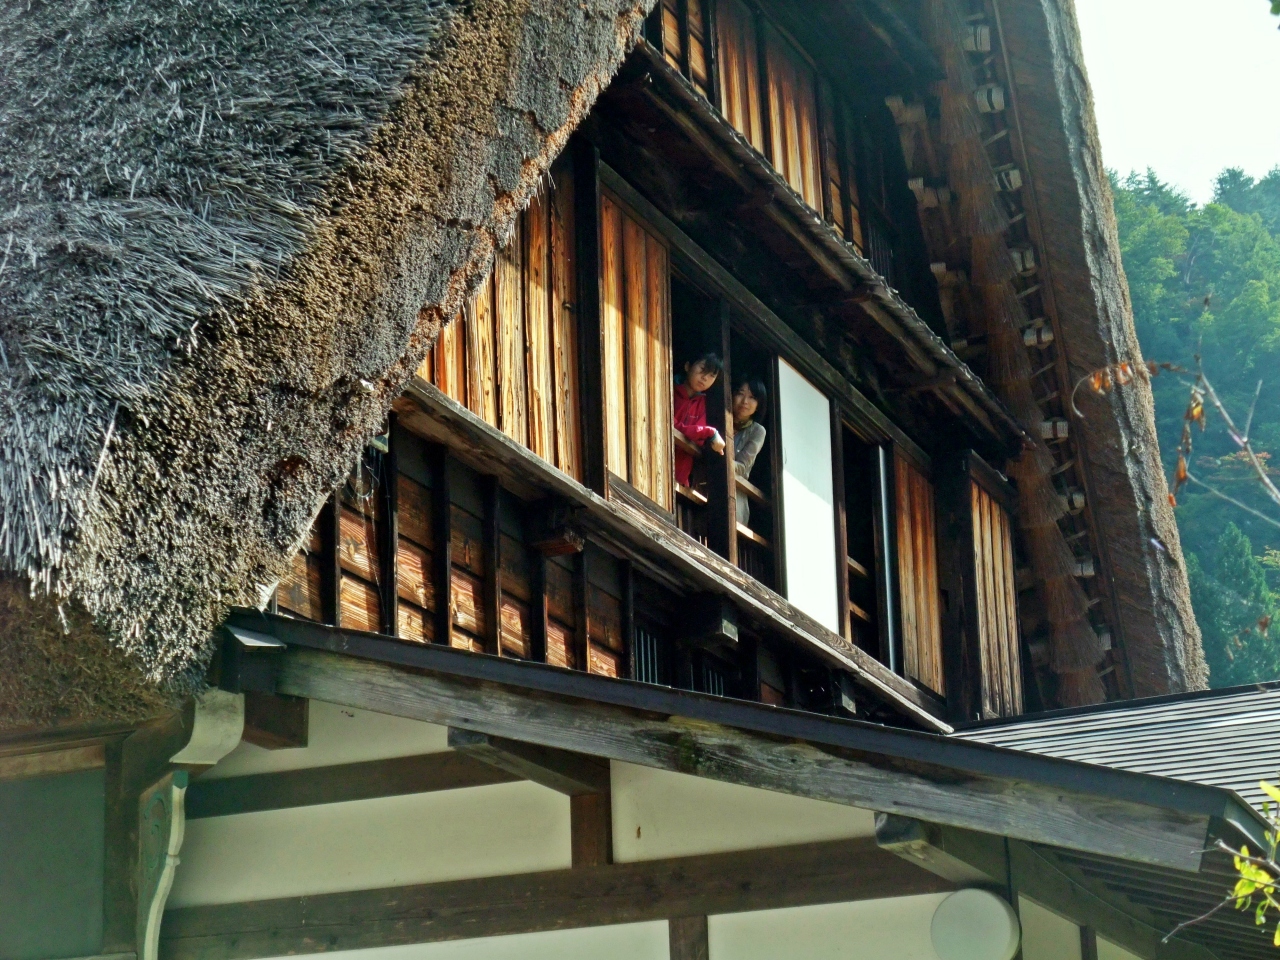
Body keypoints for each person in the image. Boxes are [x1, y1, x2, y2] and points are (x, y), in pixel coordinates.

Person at [673, 352, 725, 488]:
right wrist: (710, 432)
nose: (705, 378)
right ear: (687, 366)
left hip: (679, 481)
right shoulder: (668, 389)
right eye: (702, 369)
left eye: (712, 376)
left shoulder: (704, 404)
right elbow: (670, 424)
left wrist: (705, 433)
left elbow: (698, 439)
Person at [731, 379, 767, 525]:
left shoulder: (757, 431)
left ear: (759, 404)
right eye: (740, 394)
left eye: (752, 397)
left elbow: (742, 467)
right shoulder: (717, 417)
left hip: (734, 496)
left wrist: (719, 458)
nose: (745, 401)